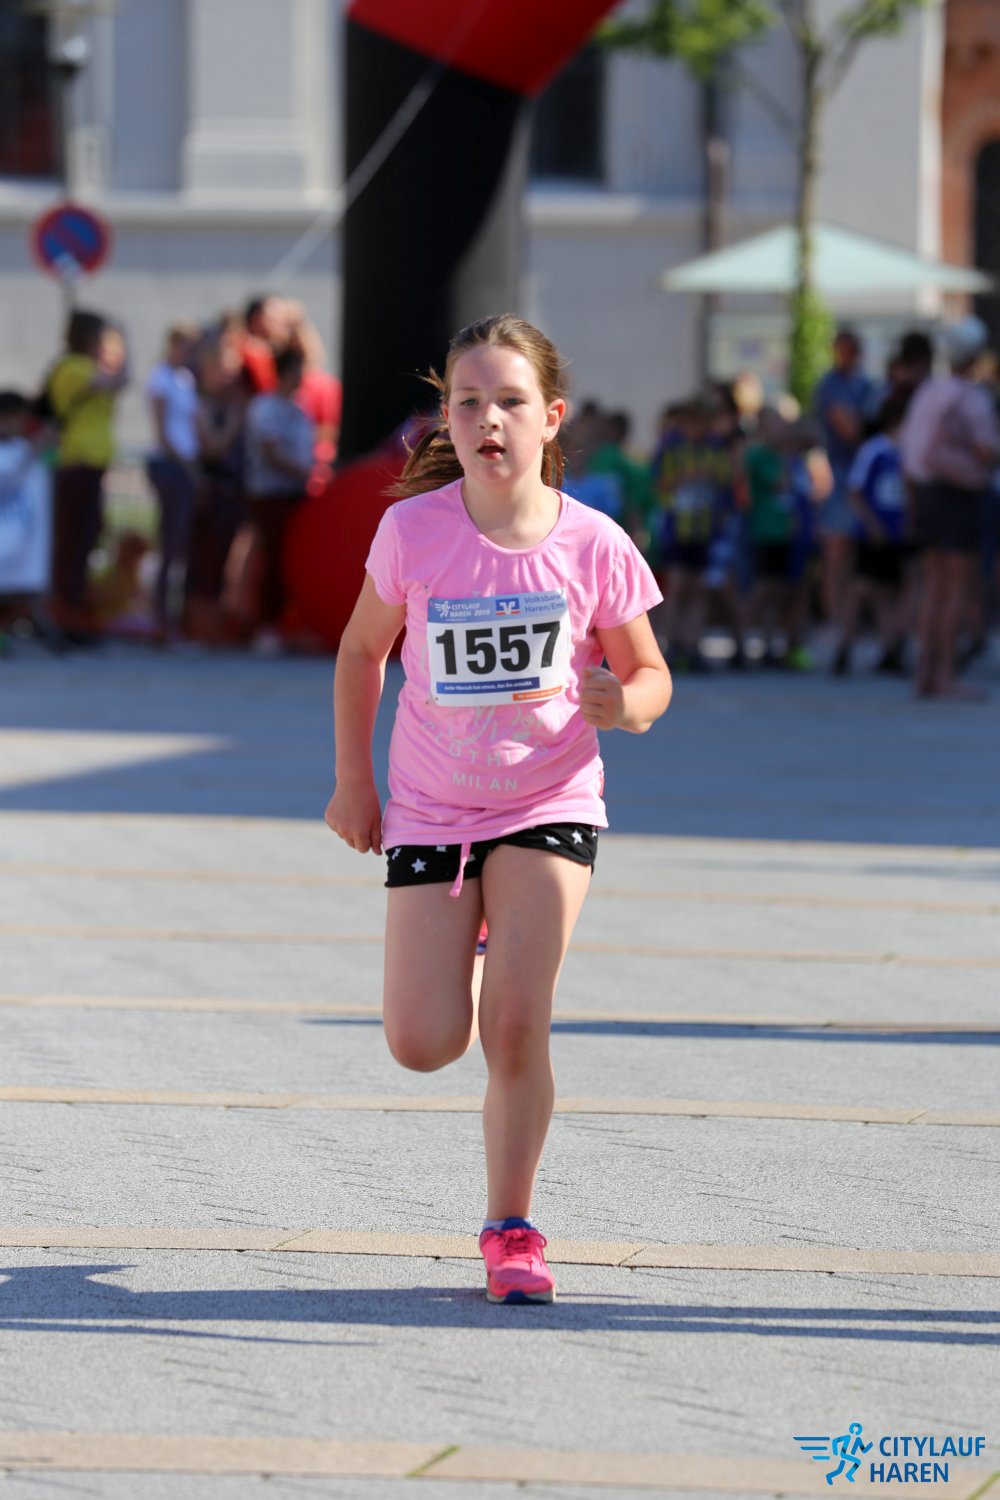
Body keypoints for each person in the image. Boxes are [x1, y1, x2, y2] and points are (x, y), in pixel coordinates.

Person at [324, 314, 670, 1306]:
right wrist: (355, 782)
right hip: (433, 806)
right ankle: (477, 938)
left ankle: (511, 1228)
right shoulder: (413, 532)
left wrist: (624, 704)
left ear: (550, 418)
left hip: (550, 800)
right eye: (468, 401)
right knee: (423, 1042)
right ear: (447, 419)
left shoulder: (593, 543)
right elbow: (361, 652)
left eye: (510, 401)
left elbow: (651, 675)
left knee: (515, 1026)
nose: (489, 419)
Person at [900, 315, 1000, 699]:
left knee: (933, 588)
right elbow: (986, 450)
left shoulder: (929, 393)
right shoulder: (970, 397)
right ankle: (945, 676)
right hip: (959, 496)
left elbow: (910, 452)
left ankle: (926, 673)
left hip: (927, 494)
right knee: (958, 589)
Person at [44, 309, 128, 640]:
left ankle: (76, 613)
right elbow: (118, 381)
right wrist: (126, 343)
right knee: (73, 544)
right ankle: (65, 616)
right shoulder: (74, 367)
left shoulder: (87, 367)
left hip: (92, 465)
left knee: (86, 540)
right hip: (77, 462)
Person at [243, 346, 315, 654]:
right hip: (270, 494)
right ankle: (265, 626)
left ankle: (286, 625)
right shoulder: (265, 407)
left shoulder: (299, 408)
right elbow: (271, 452)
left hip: (296, 494)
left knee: (291, 559)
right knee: (271, 559)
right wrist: (304, 472)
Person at [832, 394, 910, 676]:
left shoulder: (908, 451)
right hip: (873, 533)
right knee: (861, 588)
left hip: (897, 534)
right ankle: (844, 646)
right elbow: (855, 489)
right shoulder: (874, 450)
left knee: (887, 592)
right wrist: (872, 524)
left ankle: (890, 650)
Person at [813, 329, 875, 626]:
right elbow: (848, 429)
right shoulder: (830, 385)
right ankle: (835, 620)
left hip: (865, 475)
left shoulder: (867, 384)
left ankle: (852, 621)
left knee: (859, 555)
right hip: (840, 474)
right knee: (837, 552)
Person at [146, 322, 201, 643]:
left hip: (184, 468)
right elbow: (163, 433)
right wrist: (186, 466)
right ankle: (161, 621)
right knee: (170, 543)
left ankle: (171, 619)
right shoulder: (161, 378)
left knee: (180, 545)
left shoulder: (185, 379)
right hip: (170, 468)